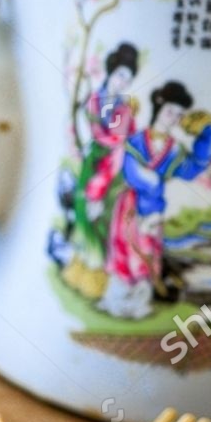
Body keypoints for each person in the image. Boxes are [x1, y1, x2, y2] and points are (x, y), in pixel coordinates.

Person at [101, 82, 211, 319]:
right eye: (170, 111)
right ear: (159, 105)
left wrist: (209, 136)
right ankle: (116, 300)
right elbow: (131, 170)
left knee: (147, 253)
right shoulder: (137, 140)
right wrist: (152, 186)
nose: (173, 118)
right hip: (132, 207)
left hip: (154, 211)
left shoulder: (173, 149)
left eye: (179, 115)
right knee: (126, 251)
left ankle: (138, 302)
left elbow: (190, 169)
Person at [73, 42, 140, 263]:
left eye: (128, 80)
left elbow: (116, 140)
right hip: (91, 159)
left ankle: (101, 258)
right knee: (82, 204)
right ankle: (84, 253)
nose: (123, 82)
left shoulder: (124, 108)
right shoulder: (93, 98)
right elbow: (84, 128)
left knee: (106, 212)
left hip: (112, 163)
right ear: (112, 70)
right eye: (121, 75)